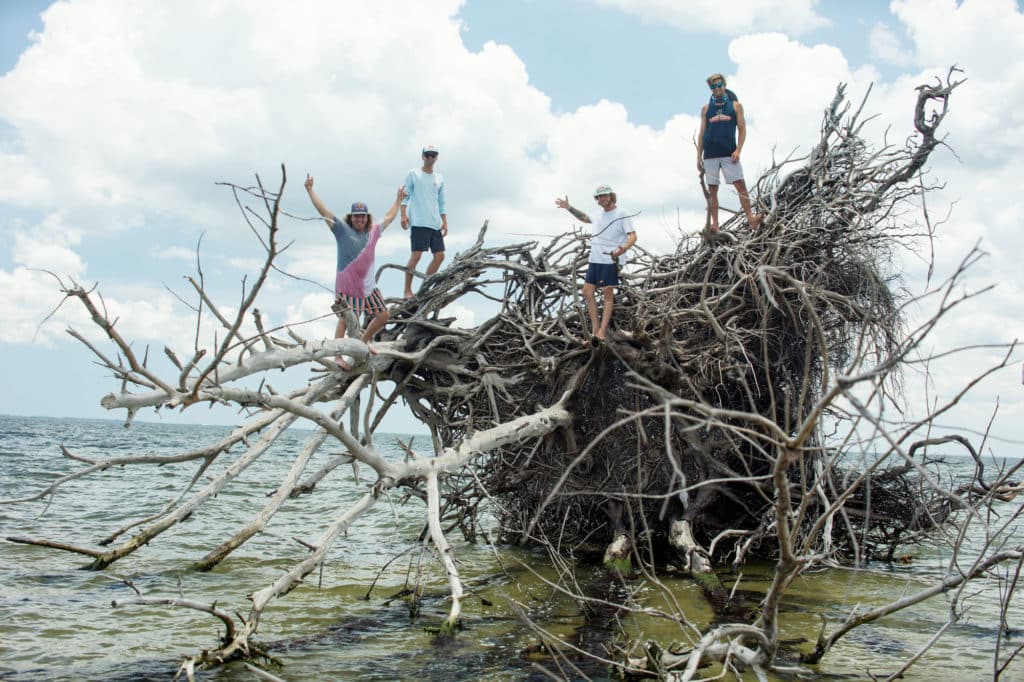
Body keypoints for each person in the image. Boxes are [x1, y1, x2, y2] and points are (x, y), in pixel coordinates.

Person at [305, 174, 405, 369]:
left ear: (367, 217)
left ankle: (364, 342)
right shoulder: (342, 230)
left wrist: (398, 200)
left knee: (383, 316)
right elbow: (323, 210)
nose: (359, 219)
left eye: (362, 216)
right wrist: (310, 191)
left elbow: (390, 217)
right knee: (346, 319)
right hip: (347, 287)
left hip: (368, 287)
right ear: (351, 218)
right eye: (356, 216)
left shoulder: (373, 231)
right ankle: (338, 356)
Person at [555, 185, 637, 343]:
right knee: (587, 291)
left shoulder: (622, 214)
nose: (602, 199)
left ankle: (602, 332)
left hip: (610, 259)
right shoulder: (598, 214)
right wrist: (568, 207)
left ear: (611, 196)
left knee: (607, 295)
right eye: (599, 197)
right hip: (595, 259)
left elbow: (633, 236)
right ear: (597, 199)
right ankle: (594, 330)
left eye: (605, 195)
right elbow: (585, 218)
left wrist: (622, 249)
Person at [697, 73, 762, 233]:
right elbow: (702, 133)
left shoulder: (735, 106)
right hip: (710, 154)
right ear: (710, 89)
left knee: (740, 185)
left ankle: (750, 218)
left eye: (719, 85)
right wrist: (698, 156)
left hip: (729, 152)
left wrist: (738, 149)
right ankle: (715, 224)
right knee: (712, 190)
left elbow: (742, 128)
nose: (717, 88)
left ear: (724, 85)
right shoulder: (706, 109)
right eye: (713, 86)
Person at [400, 145, 448, 298]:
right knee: (416, 256)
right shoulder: (413, 174)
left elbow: (442, 202)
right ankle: (407, 290)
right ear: (422, 156)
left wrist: (445, 222)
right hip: (419, 222)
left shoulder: (439, 178)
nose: (430, 158)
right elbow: (405, 196)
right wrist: (403, 215)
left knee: (440, 256)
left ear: (437, 158)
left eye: (433, 155)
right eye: (428, 155)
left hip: (435, 223)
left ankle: (423, 289)